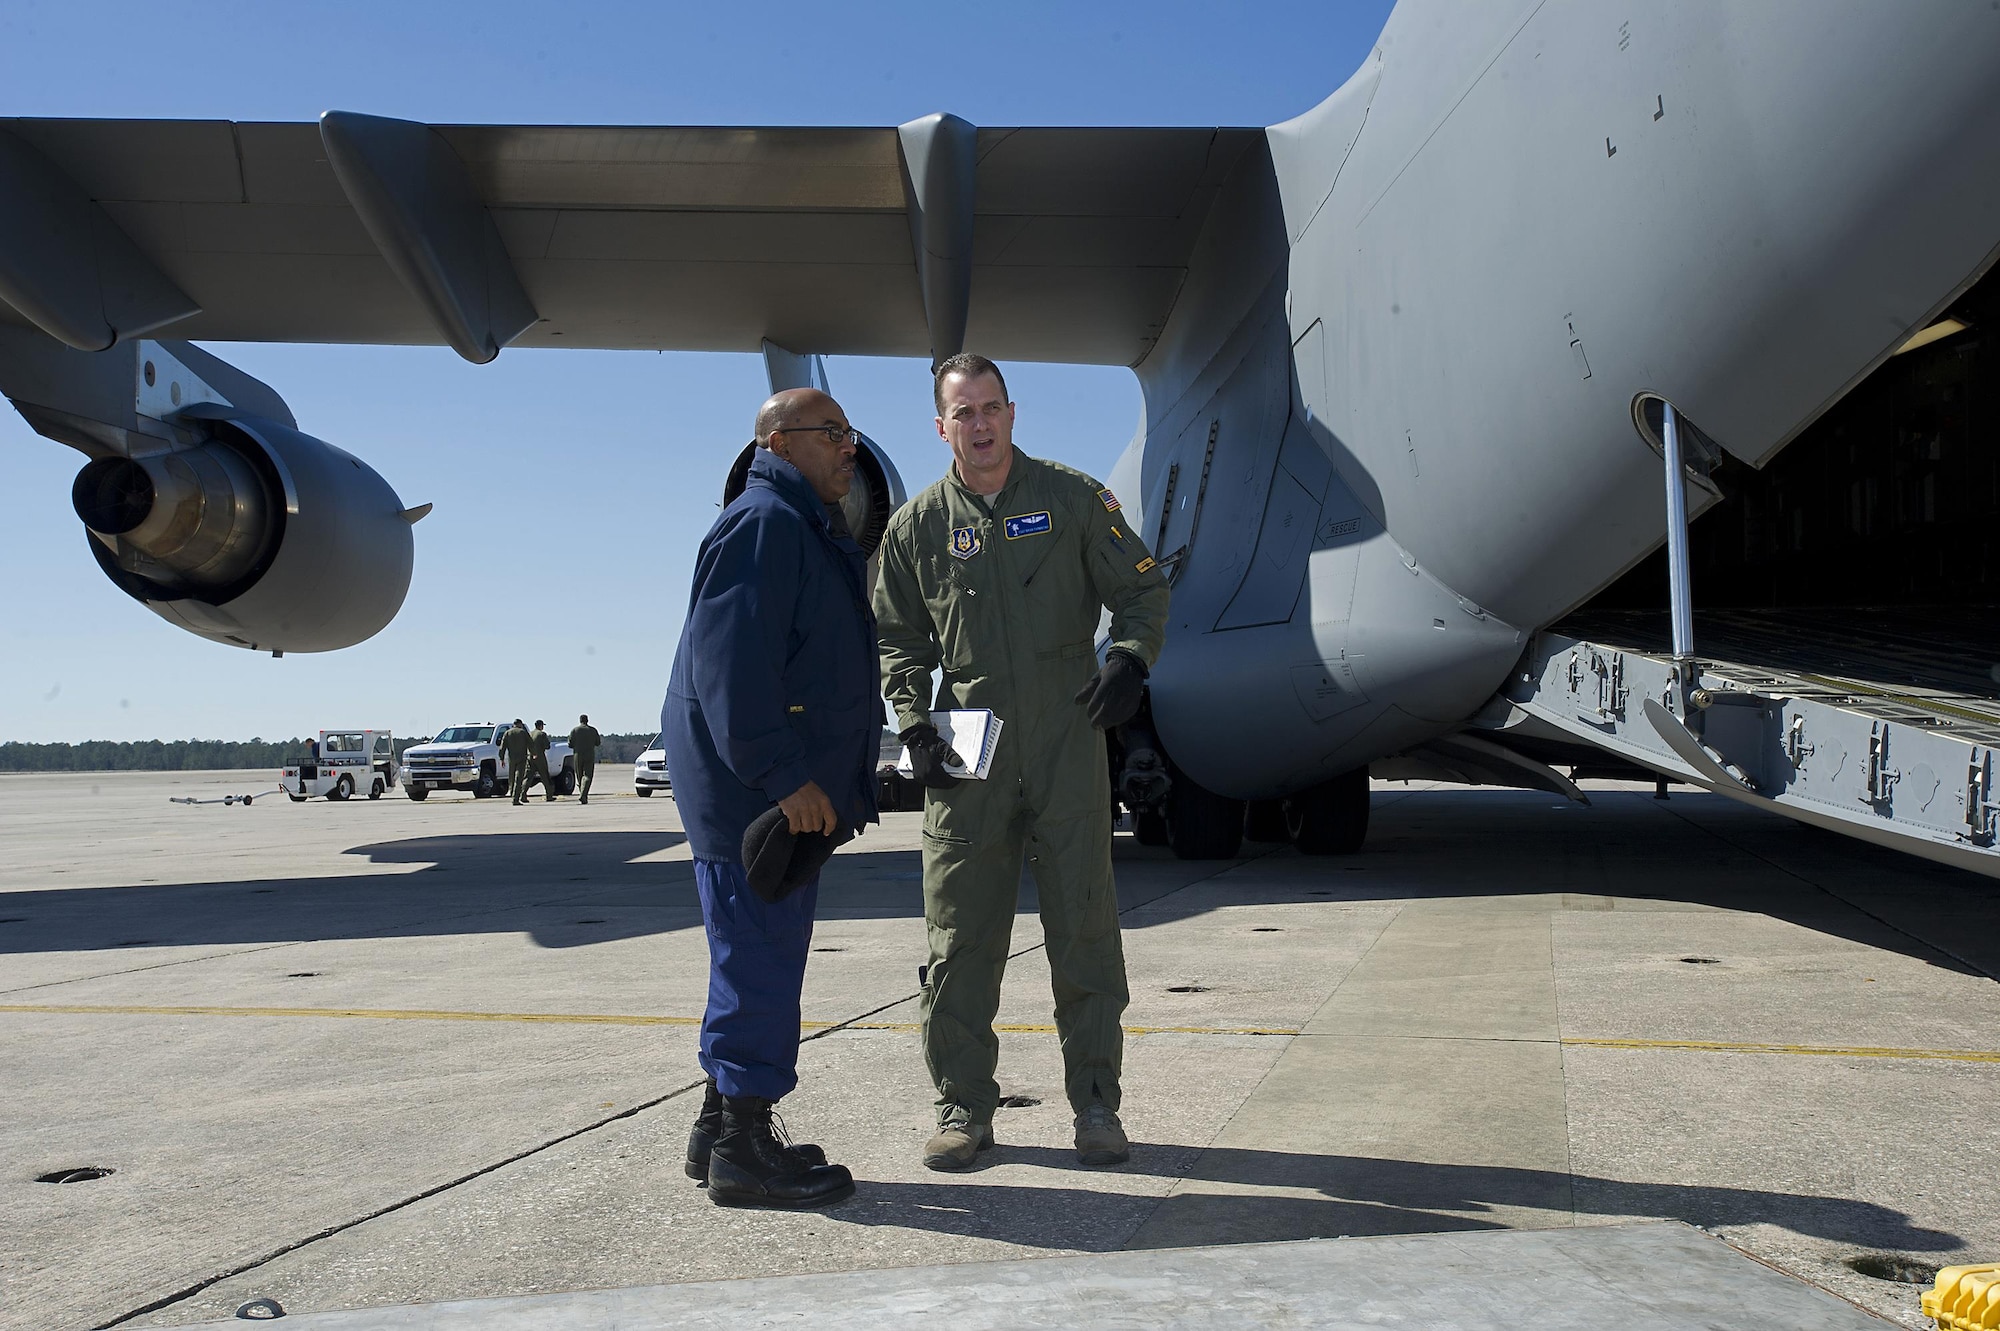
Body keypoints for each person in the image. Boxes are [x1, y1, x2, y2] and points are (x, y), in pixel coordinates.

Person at [874, 352, 1170, 1172]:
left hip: (1067, 735)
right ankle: (964, 1107)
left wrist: (1132, 660)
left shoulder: (1073, 500)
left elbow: (1143, 589)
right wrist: (912, 722)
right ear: (942, 426)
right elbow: (896, 638)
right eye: (962, 412)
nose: (979, 424)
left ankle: (1098, 1105)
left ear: (1013, 412)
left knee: (1084, 926)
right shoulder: (917, 527)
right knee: (961, 935)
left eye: (991, 407)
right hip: (967, 751)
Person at [659, 386, 880, 1209]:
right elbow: (731, 666)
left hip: (760, 782)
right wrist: (786, 776)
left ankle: (718, 1128)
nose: (848, 449)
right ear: (781, 443)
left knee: (748, 949)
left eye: (849, 434)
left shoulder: (795, 525)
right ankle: (747, 1151)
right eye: (834, 434)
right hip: (756, 786)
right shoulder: (764, 523)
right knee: (760, 951)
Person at [569, 714, 602, 805]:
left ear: (580, 720)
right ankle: (583, 795)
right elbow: (598, 743)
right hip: (589, 755)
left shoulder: (575, 730)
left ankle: (582, 794)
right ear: (587, 720)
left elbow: (570, 744)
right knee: (588, 776)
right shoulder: (593, 730)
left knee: (579, 775)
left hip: (577, 755)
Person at [501, 719, 532, 804]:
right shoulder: (523, 732)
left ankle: (512, 793)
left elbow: (502, 747)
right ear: (520, 724)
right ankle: (516, 798)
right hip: (522, 758)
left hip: (511, 758)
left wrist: (501, 758)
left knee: (511, 777)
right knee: (519, 778)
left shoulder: (507, 733)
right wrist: (533, 753)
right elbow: (530, 743)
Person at [527, 719, 555, 801]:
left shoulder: (530, 734)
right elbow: (547, 746)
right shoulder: (542, 734)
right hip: (540, 757)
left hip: (530, 756)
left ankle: (522, 795)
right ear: (540, 726)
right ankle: (549, 796)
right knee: (545, 776)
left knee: (528, 777)